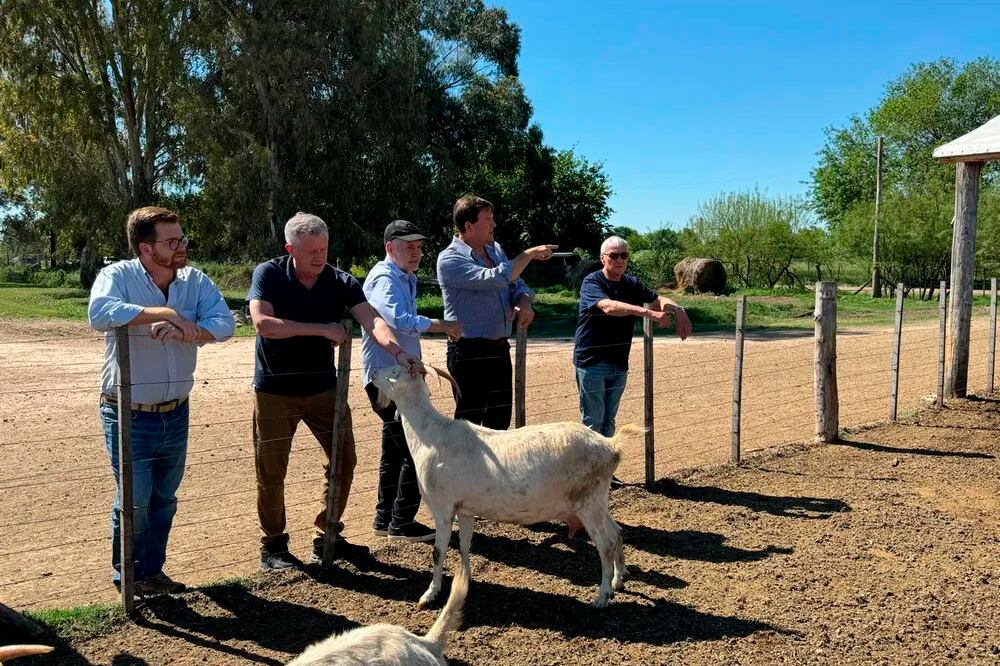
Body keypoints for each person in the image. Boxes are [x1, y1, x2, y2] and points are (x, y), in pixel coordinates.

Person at [248, 212, 420, 571]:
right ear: (290, 249)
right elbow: (263, 323)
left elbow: (372, 320)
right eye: (311, 251)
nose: (319, 257)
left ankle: (327, 534)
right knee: (272, 470)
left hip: (325, 389)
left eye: (323, 249)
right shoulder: (269, 274)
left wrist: (398, 352)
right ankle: (274, 545)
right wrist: (323, 329)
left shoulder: (340, 281)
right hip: (275, 390)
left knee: (343, 460)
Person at [89, 206, 235, 596]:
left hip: (176, 410)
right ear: (145, 248)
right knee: (134, 500)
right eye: (171, 241)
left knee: (164, 499)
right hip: (127, 412)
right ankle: (129, 578)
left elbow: (225, 324)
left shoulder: (195, 281)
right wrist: (166, 312)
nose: (181, 246)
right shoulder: (118, 276)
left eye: (181, 238)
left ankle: (152, 573)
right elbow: (100, 313)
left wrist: (190, 332)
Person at [361, 220, 464, 542]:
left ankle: (386, 520)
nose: (416, 252)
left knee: (394, 449)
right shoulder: (385, 278)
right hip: (388, 378)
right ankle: (401, 522)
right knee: (413, 448)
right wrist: (442, 325)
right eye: (409, 247)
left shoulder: (403, 277)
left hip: (395, 376)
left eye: (418, 247)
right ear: (390, 247)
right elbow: (399, 319)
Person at [573, 235, 692, 487]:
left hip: (618, 362)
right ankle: (589, 479)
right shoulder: (592, 281)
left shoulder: (632, 283)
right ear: (603, 258)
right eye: (613, 255)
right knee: (593, 421)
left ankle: (604, 475)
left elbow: (659, 299)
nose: (619, 260)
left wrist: (678, 309)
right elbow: (609, 307)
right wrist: (648, 313)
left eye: (624, 255)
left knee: (608, 421)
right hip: (592, 360)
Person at [435, 195, 557, 429]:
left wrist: (524, 301)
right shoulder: (449, 259)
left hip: (499, 349)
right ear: (468, 226)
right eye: (488, 220)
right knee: (469, 428)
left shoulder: (496, 250)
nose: (494, 224)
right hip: (469, 353)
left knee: (499, 423)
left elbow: (517, 283)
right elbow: (495, 278)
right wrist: (528, 254)